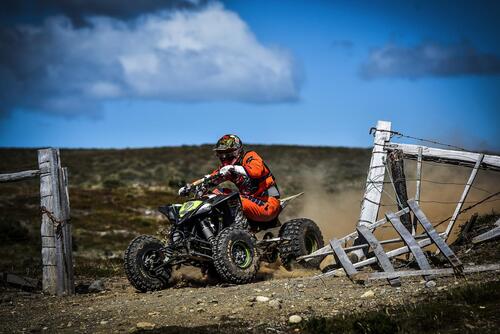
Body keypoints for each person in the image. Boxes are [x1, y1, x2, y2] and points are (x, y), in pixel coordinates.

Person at [179, 134, 281, 222]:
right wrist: (191, 187)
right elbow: (210, 178)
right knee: (217, 193)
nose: (225, 158)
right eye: (221, 155)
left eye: (229, 154)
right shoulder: (227, 169)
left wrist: (233, 168)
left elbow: (256, 171)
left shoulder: (250, 157)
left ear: (238, 152)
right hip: (250, 203)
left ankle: (237, 229)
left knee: (232, 199)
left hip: (268, 203)